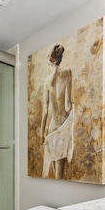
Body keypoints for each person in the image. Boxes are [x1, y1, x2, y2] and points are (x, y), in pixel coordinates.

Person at [41, 44, 74, 179]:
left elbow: (45, 111)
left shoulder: (47, 82)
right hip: (62, 126)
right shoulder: (68, 74)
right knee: (60, 175)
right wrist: (73, 107)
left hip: (52, 127)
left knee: (55, 173)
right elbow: (67, 106)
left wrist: (42, 134)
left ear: (50, 60)